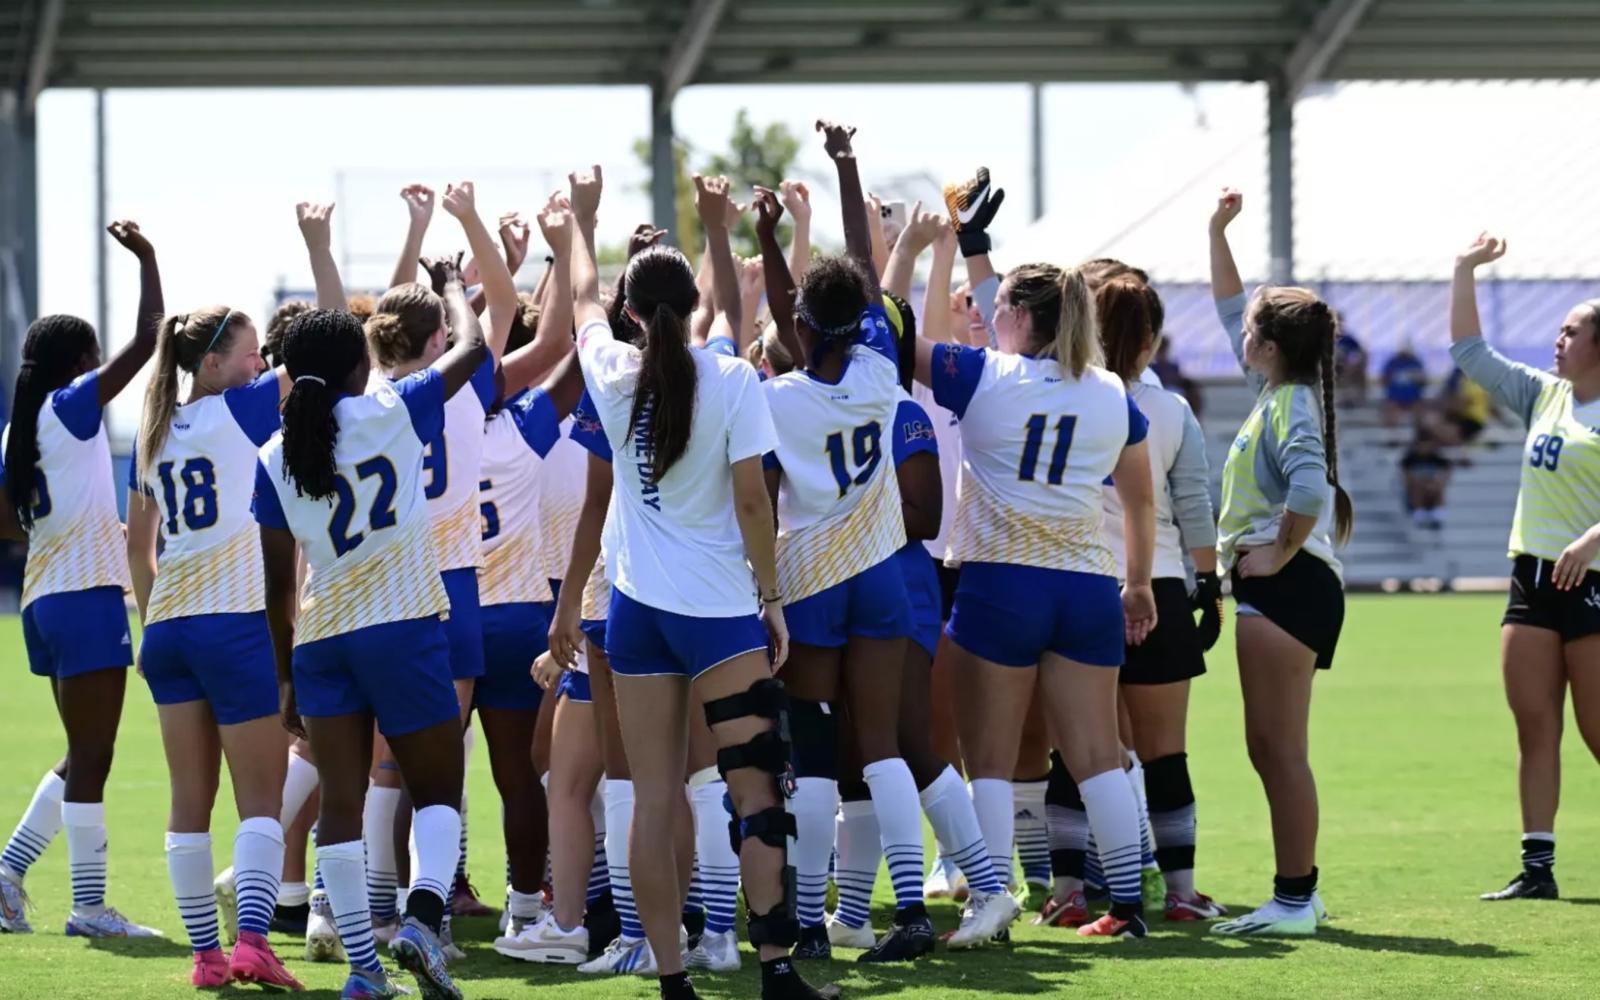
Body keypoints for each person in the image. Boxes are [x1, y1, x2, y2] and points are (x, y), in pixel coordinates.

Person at [553, 161, 837, 1000]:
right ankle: (777, 969)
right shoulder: (734, 376)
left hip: (638, 618)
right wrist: (773, 598)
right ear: (693, 308)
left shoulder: (610, 371)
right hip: (719, 615)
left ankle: (671, 978)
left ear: (632, 312)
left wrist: (581, 218)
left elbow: (576, 301)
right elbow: (754, 501)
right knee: (756, 794)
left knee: (650, 798)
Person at [907, 166, 1158, 941]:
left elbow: (894, 336)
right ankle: (1128, 907)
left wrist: (925, 247)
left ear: (1015, 315)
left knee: (986, 758)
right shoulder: (1110, 389)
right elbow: (1140, 495)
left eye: (1001, 304)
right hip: (1087, 584)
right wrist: (1140, 581)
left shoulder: (984, 373)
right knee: (1096, 756)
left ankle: (990, 904)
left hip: (1000, 584)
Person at [122, 205, 343, 991]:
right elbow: (328, 336)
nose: (260, 368)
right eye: (251, 357)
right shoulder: (239, 411)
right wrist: (320, 247)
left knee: (189, 803)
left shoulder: (154, 428)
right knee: (256, 803)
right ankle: (251, 943)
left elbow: (134, 550)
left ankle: (206, 958)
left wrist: (152, 626)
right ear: (214, 364)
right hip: (229, 626)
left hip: (170, 632)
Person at [255, 281, 485, 999]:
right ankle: (419, 919)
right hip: (402, 625)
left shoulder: (273, 455)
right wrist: (455, 295)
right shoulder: (393, 406)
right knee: (438, 789)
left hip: (321, 642)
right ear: (360, 365)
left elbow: (276, 593)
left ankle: (362, 970)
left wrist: (286, 679)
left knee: (341, 811)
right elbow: (474, 350)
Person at [753, 124, 941, 963]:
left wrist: (763, 235)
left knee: (819, 751)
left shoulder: (777, 399)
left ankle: (805, 920)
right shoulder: (880, 373)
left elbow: (759, 501)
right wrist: (844, 165)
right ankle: (911, 912)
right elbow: (864, 273)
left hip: (811, 576)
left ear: (797, 322)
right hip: (878, 574)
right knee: (885, 746)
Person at [0, 220, 163, 939]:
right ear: (80, 361)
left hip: (45, 597)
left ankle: (7, 873)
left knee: (83, 751)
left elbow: (11, 522)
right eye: (94, 357)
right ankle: (90, 909)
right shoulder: (71, 404)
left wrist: (75, 528)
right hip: (84, 596)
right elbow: (151, 338)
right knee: (95, 756)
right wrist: (149, 260)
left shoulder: (20, 428)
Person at [1206, 187, 1349, 936]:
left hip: (1288, 586)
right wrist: (1217, 230)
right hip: (1285, 585)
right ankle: (1299, 893)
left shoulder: (1288, 401)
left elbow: (1308, 486)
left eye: (1251, 331)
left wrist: (1276, 550)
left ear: (1268, 348)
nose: (1240, 334)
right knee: (1270, 746)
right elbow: (1236, 306)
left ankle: (1295, 898)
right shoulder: (1279, 384)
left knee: (1278, 750)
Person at [1449, 233, 1600, 902]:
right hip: (1532, 582)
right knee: (1535, 728)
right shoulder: (1547, 395)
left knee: (1597, 732)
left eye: (1571, 331)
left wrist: (1592, 540)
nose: (1558, 339)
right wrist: (1463, 270)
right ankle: (1537, 871)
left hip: (1592, 585)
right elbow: (1470, 355)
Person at [1073, 275, 1225, 926]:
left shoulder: (1071, 397)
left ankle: (1073, 892)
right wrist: (1210, 584)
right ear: (1153, 339)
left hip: (1084, 582)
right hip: (1160, 582)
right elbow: (1192, 503)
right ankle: (1182, 892)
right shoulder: (1172, 411)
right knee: (1167, 751)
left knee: (1083, 749)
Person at [472, 199, 589, 952]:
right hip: (517, 614)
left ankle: (363, 904)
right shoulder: (520, 433)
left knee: (404, 775)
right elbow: (569, 351)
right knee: (522, 776)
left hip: (440, 612)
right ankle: (523, 904)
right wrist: (573, 242)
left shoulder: (415, 426)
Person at [1400, 421, 1453, 530]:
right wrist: (1424, 484)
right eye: (1422, 444)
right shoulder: (1410, 459)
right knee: (1418, 485)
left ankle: (1438, 514)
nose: (1425, 447)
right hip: (1414, 494)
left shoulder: (1437, 457)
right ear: (1417, 444)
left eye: (1428, 444)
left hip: (1432, 491)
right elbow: (1407, 480)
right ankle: (1419, 513)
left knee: (1438, 485)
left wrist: (1437, 483)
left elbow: (1448, 470)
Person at [1382, 343, 1428, 426]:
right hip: (1395, 398)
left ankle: (1419, 433)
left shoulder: (1416, 363)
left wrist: (1417, 378)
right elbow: (1384, 380)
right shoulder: (1392, 363)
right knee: (1390, 411)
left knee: (1420, 413)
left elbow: (1423, 382)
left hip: (1414, 399)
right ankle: (1392, 435)